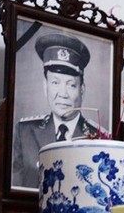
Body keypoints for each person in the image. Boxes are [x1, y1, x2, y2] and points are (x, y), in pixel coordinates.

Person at [12, 33, 101, 189]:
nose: (63, 94)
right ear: (45, 86)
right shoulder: (25, 131)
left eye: (71, 85)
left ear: (82, 90)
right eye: (55, 82)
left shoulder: (99, 137)